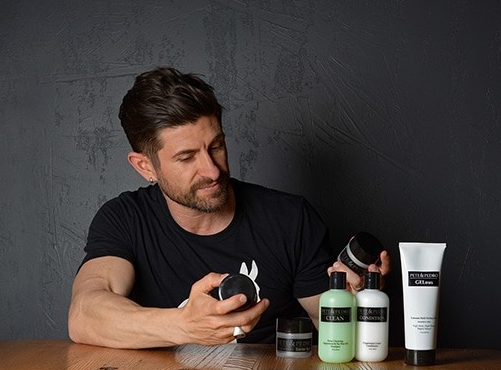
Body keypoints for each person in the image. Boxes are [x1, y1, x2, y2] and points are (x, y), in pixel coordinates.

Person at [68, 67, 391, 349]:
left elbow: (333, 330)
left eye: (217, 146)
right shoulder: (125, 219)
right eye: (186, 157)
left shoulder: (289, 219)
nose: (212, 170)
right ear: (145, 166)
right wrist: (184, 326)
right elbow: (85, 315)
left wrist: (356, 303)